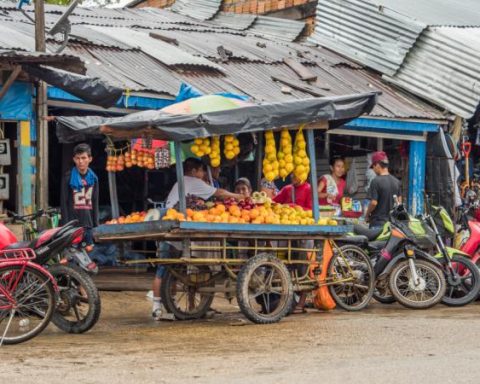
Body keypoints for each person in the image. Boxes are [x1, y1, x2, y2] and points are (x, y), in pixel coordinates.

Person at [152, 158, 244, 321]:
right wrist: (240, 196)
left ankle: (159, 306)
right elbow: (219, 193)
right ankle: (159, 306)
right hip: (175, 227)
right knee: (166, 268)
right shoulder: (192, 181)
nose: (203, 174)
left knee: (167, 268)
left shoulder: (180, 182)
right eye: (202, 171)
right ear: (194, 171)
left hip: (169, 226)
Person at [60, 143, 99, 245]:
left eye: (83, 158)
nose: (80, 161)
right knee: (73, 256)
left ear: (90, 159)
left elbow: (95, 201)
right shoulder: (67, 177)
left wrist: (96, 224)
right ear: (74, 159)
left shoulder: (93, 179)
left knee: (87, 255)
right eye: (78, 158)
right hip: (73, 225)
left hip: (88, 224)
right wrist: (65, 226)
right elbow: (64, 202)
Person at [365, 151, 401, 228]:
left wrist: (367, 215)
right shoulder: (397, 181)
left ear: (377, 165)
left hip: (378, 223)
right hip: (392, 225)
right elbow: (399, 203)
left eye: (373, 166)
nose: (373, 170)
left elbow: (374, 203)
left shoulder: (376, 181)